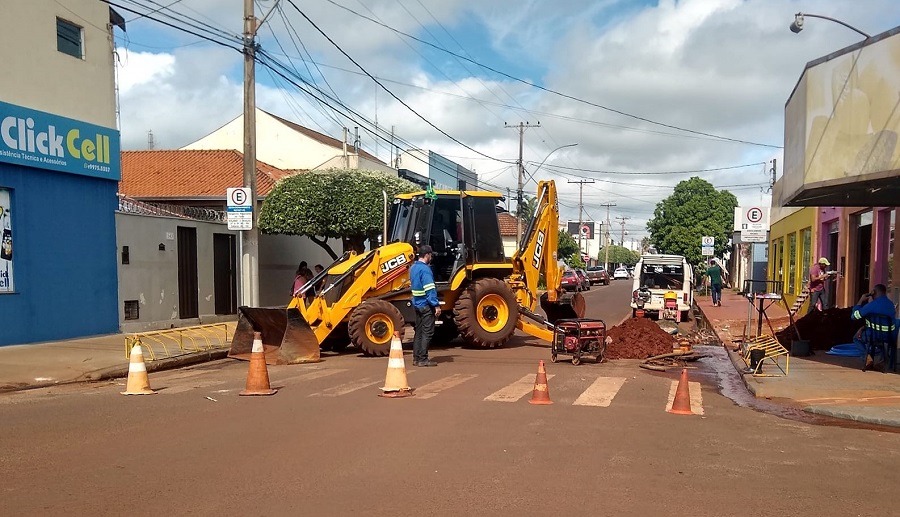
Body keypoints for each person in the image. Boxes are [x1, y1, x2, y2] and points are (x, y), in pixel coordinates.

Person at [851, 284, 897, 370]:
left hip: (872, 336)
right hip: (888, 337)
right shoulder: (891, 305)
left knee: (856, 338)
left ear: (873, 292)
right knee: (883, 343)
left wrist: (860, 300)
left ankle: (868, 358)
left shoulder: (871, 305)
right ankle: (881, 361)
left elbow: (854, 316)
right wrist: (864, 327)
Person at [410, 245, 441, 367]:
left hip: (416, 304)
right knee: (427, 333)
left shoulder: (413, 268)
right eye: (431, 255)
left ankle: (416, 358)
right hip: (426, 305)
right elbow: (430, 289)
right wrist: (436, 305)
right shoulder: (425, 270)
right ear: (427, 255)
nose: (431, 258)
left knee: (418, 332)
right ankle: (423, 359)